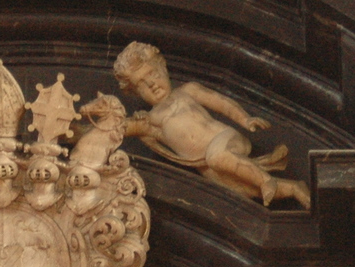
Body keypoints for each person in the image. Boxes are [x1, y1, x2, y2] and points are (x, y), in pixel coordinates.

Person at [112, 43, 308, 208]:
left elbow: (221, 103)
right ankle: (293, 188)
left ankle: (265, 180)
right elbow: (121, 128)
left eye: (152, 74)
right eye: (141, 84)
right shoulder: (152, 119)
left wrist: (245, 119)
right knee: (244, 189)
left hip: (225, 140)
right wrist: (86, 132)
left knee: (218, 156)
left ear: (163, 67)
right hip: (205, 165)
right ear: (135, 92)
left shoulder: (187, 91)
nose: (151, 84)